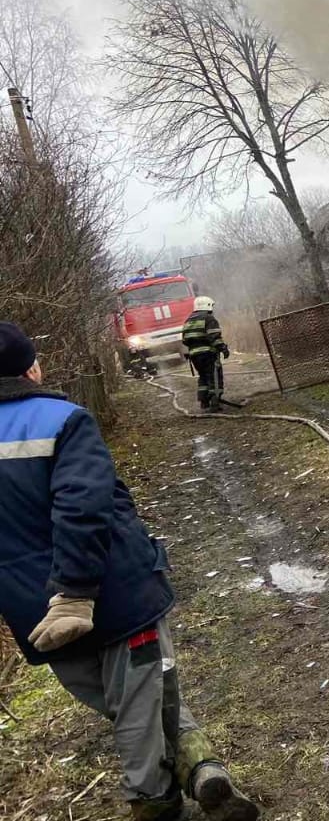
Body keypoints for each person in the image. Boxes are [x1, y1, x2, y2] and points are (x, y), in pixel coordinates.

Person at [0, 322, 259, 821]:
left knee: (130, 702)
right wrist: (74, 592)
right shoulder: (62, 419)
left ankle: (200, 766)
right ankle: (158, 802)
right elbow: (82, 508)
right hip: (110, 596)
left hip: (33, 612)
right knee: (138, 707)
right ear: (30, 368)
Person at [181, 297, 230, 413]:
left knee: (203, 376)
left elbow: (184, 340)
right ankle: (215, 403)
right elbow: (214, 337)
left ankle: (204, 402)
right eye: (211, 306)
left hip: (194, 356)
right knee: (214, 377)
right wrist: (223, 349)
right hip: (208, 354)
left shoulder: (188, 320)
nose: (212, 309)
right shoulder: (209, 319)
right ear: (207, 305)